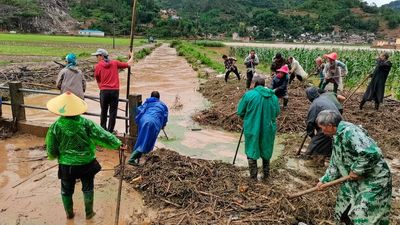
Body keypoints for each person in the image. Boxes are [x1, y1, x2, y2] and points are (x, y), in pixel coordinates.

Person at [45, 92, 123, 220]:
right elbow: (102, 134)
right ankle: (89, 213)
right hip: (86, 163)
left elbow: (51, 149)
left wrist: (56, 155)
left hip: (66, 165)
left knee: (66, 190)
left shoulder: (55, 127)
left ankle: (69, 215)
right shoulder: (86, 123)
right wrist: (118, 144)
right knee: (88, 187)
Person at [315, 110, 392, 225]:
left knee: (365, 216)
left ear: (330, 126)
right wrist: (324, 180)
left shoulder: (351, 132)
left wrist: (357, 170)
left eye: (322, 127)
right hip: (354, 181)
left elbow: (372, 153)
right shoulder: (336, 136)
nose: (322, 131)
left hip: (373, 181)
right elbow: (336, 163)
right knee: (343, 209)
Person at [237, 78, 280, 181]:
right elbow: (277, 113)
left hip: (252, 127)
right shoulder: (273, 97)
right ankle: (266, 176)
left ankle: (253, 178)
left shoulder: (249, 95)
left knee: (252, 149)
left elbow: (240, 112)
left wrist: (248, 118)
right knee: (266, 149)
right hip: (268, 128)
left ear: (255, 84)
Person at [92, 48, 134, 133]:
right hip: (114, 91)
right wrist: (132, 55)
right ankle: (110, 131)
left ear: (102, 56)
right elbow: (129, 64)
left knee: (103, 111)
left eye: (97, 56)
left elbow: (97, 78)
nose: (96, 57)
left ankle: (103, 130)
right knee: (113, 112)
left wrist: (101, 87)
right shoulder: (115, 63)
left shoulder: (98, 66)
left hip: (104, 91)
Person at [128, 91, 168, 165]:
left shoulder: (147, 102)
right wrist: (163, 125)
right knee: (147, 141)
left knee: (142, 139)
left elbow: (139, 110)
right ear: (159, 98)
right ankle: (132, 159)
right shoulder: (163, 105)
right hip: (153, 123)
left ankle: (139, 157)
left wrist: (140, 103)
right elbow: (165, 117)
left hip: (143, 120)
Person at [304, 87, 340, 166]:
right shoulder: (324, 98)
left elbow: (310, 122)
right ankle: (320, 159)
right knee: (326, 142)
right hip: (336, 122)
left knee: (316, 143)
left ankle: (315, 161)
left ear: (309, 96)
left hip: (330, 125)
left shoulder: (315, 105)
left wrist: (312, 135)